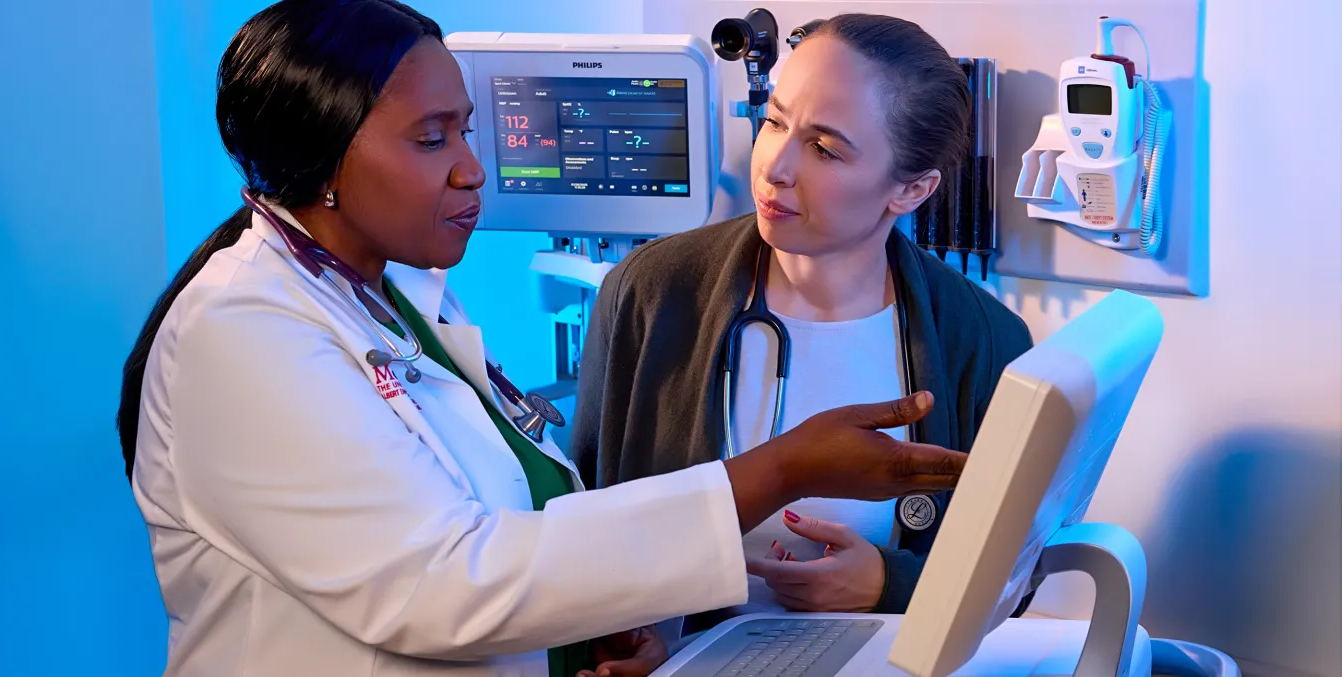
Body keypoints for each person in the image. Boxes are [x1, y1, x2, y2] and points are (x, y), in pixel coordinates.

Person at [115, 3, 973, 677]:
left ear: (913, 186)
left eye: (466, 129)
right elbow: (446, 586)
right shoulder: (244, 334)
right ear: (323, 158)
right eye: (431, 137)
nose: (471, 168)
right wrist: (778, 471)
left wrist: (611, 631)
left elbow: (536, 518)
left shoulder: (397, 297)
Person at [572, 13, 1036, 638]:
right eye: (773, 122)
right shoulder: (652, 293)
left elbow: (1013, 578)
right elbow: (578, 529)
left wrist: (886, 584)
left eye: (824, 148)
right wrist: (632, 636)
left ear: (913, 189)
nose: (775, 166)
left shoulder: (983, 341)